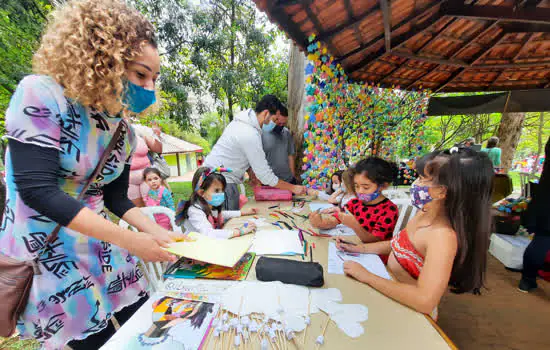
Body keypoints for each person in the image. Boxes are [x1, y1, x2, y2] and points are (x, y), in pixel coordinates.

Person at [0, 1, 190, 348]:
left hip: (102, 249)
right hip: (48, 258)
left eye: (154, 78)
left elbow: (115, 198)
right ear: (105, 62)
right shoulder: (40, 95)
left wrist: (158, 233)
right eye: (140, 74)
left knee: (147, 330)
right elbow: (37, 190)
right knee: (96, 343)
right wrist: (131, 240)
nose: (149, 88)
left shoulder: (123, 132)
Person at [337, 149, 494, 319]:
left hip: (411, 313)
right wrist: (359, 249)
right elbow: (397, 245)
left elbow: (425, 301)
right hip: (392, 293)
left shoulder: (442, 237)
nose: (415, 184)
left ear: (442, 191)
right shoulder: (424, 213)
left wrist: (367, 276)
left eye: (422, 179)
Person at [203, 95, 306, 210]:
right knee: (226, 221)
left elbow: (243, 157)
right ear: (266, 114)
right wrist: (293, 188)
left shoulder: (242, 124)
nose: (276, 124)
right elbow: (265, 176)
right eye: (275, 120)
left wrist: (252, 175)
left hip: (217, 178)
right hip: (219, 182)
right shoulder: (249, 133)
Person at [178, 167, 258, 239]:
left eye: (222, 190)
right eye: (216, 190)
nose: (221, 194)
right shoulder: (194, 210)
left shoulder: (208, 205)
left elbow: (222, 214)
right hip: (194, 250)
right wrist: (239, 231)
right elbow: (208, 233)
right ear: (202, 192)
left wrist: (243, 212)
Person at [518, 135, 550, 292]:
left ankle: (527, 280)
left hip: (545, 198)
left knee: (541, 240)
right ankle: (528, 279)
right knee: (542, 240)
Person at [128, 121, 163, 207]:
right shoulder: (108, 133)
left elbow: (158, 149)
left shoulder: (138, 130)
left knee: (154, 206)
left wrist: (157, 135)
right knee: (137, 211)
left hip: (148, 178)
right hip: (128, 180)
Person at [261, 105, 298, 184]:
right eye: (279, 123)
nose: (281, 126)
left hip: (287, 179)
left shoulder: (286, 133)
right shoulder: (261, 133)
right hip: (269, 181)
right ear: (274, 118)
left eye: (283, 124)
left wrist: (293, 176)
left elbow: (290, 155)